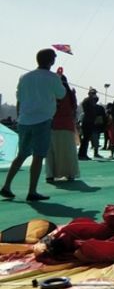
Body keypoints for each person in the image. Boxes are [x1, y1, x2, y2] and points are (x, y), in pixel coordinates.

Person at [1, 48, 66, 202]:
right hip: (42, 120)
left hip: (24, 120)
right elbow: (61, 94)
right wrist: (60, 78)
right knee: (38, 156)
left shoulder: (24, 77)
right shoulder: (53, 77)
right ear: (51, 61)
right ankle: (32, 191)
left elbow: (19, 97)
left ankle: (6, 186)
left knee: (21, 154)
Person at [46, 73, 80, 183]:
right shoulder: (70, 94)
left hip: (53, 125)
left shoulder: (51, 93)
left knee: (51, 152)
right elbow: (74, 108)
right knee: (68, 151)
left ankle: (50, 174)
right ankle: (70, 173)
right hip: (67, 125)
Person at [77, 88, 100, 160]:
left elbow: (96, 100)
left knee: (86, 139)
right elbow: (90, 109)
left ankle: (83, 154)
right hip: (87, 121)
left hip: (89, 121)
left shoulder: (90, 100)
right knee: (85, 139)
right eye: (93, 93)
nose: (94, 95)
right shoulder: (87, 100)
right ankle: (82, 154)